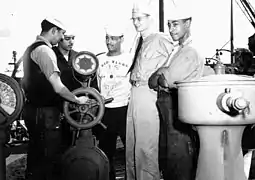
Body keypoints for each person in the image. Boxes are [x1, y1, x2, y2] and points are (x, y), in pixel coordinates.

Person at [21, 17, 89, 180]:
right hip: (45, 114)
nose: (61, 38)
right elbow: (57, 87)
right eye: (61, 34)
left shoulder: (31, 48)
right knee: (49, 159)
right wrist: (77, 100)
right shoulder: (45, 51)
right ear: (53, 31)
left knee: (37, 155)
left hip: (34, 112)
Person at [148, 6, 205, 180]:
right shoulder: (176, 51)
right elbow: (152, 82)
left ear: (188, 23)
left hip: (179, 114)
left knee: (179, 161)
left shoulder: (190, 52)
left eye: (175, 24)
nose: (171, 29)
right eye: (169, 25)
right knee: (168, 161)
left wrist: (161, 73)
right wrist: (161, 71)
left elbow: (165, 81)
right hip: (169, 115)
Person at [125, 1, 174, 180]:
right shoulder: (140, 40)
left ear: (150, 18)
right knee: (131, 145)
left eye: (140, 19)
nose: (136, 23)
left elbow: (172, 63)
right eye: (134, 19)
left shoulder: (160, 39)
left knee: (146, 146)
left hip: (148, 93)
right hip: (135, 93)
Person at [92, 24, 132, 180]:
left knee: (129, 150)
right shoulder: (99, 59)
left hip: (124, 109)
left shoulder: (130, 58)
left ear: (121, 39)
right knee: (105, 152)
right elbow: (94, 84)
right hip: (105, 111)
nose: (109, 42)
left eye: (113, 39)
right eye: (107, 38)